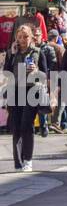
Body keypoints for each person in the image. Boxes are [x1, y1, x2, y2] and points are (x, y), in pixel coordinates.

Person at [4, 25, 50, 171]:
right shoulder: (12, 53)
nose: (23, 40)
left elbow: (45, 75)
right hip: (15, 93)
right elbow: (6, 73)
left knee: (26, 126)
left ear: (31, 37)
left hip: (32, 92)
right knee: (16, 128)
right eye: (20, 37)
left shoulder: (38, 52)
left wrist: (37, 71)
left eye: (26, 36)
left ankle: (28, 160)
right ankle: (18, 162)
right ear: (16, 38)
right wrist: (11, 55)